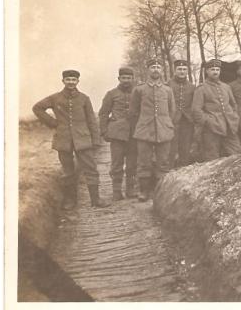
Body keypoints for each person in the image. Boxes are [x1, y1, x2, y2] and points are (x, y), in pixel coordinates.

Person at [32, 69, 109, 208]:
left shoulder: (84, 98)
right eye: (68, 80)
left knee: (91, 169)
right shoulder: (55, 98)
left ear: (78, 81)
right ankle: (70, 201)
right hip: (63, 139)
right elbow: (37, 108)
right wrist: (53, 123)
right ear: (63, 81)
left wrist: (95, 140)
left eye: (74, 80)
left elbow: (91, 120)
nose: (71, 82)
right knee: (68, 171)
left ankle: (96, 199)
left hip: (83, 139)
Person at [129, 57, 175, 202]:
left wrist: (165, 123)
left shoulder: (167, 90)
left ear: (162, 70)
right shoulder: (139, 89)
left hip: (164, 129)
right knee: (144, 162)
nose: (155, 69)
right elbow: (133, 111)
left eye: (158, 67)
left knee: (163, 161)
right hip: (145, 130)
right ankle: (144, 191)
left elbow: (171, 111)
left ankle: (161, 191)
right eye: (153, 67)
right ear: (148, 70)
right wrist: (143, 123)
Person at [99, 67, 137, 200]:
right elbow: (103, 113)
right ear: (119, 79)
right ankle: (116, 191)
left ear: (132, 79)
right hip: (117, 134)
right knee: (117, 163)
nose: (126, 80)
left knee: (132, 162)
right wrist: (104, 131)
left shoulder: (138, 92)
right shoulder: (111, 94)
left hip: (134, 133)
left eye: (129, 78)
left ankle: (130, 190)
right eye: (123, 78)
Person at [191, 59, 241, 162]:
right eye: (212, 69)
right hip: (211, 130)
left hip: (229, 127)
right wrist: (209, 121)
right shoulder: (201, 88)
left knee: (237, 154)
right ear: (207, 71)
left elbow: (233, 105)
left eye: (217, 69)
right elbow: (196, 110)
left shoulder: (226, 87)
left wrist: (234, 117)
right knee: (212, 158)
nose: (215, 72)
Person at [167, 59, 195, 168]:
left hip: (187, 121)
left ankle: (183, 172)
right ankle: (169, 173)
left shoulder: (192, 87)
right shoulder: (167, 85)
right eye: (179, 69)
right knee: (171, 149)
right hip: (172, 121)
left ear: (187, 71)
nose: (182, 71)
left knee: (185, 148)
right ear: (175, 70)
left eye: (184, 69)